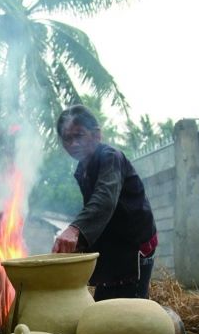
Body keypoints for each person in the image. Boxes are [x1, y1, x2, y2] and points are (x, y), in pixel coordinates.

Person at [52, 104, 158, 301]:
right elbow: (94, 209)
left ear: (96, 135)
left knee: (131, 309)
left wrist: (75, 230)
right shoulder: (82, 170)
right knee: (105, 304)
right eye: (67, 138)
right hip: (113, 245)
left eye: (79, 135)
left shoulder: (110, 157)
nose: (73, 143)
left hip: (133, 243)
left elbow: (104, 199)